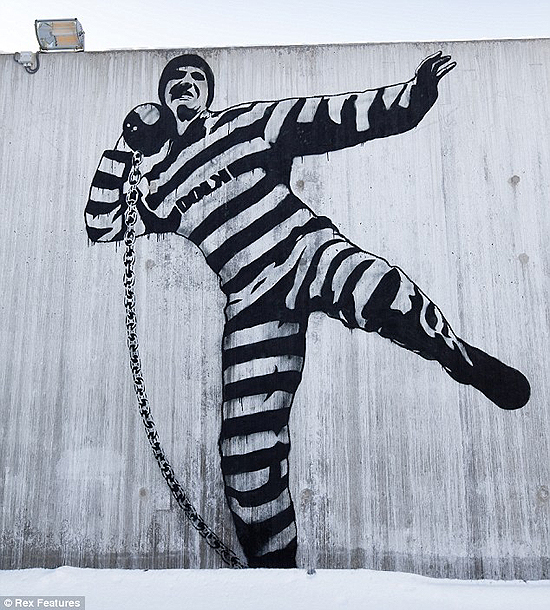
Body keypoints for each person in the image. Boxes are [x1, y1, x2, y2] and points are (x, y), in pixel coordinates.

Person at [85, 52, 530, 568]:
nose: (186, 84)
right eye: (176, 79)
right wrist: (126, 143)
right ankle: (276, 574)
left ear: (208, 94)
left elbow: (330, 117)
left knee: (376, 290)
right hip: (250, 300)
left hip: (303, 251)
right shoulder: (159, 188)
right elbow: (103, 224)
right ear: (163, 98)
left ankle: (458, 357)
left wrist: (413, 97)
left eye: (196, 78)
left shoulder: (245, 123)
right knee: (245, 457)